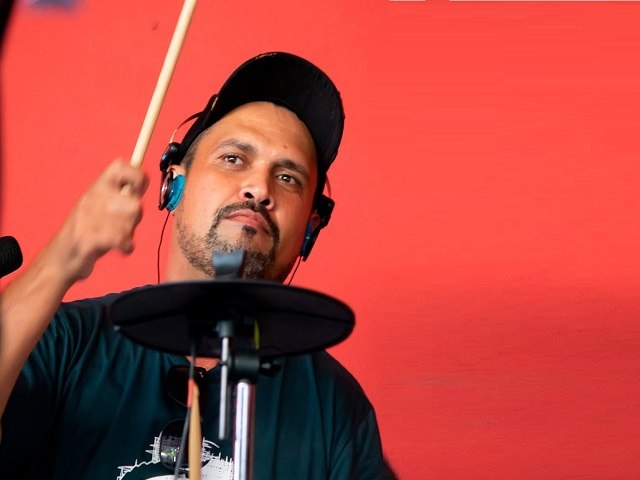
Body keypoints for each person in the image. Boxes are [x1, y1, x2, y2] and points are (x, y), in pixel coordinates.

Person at [0, 52, 395, 479]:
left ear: (309, 229)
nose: (259, 188)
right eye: (233, 159)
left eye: (287, 178)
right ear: (173, 185)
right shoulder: (65, 343)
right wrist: (62, 258)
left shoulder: (336, 409)